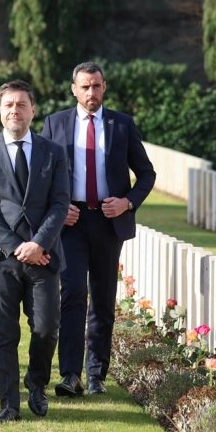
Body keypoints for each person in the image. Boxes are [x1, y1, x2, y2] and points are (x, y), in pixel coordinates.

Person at [40, 61, 156, 397]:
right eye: (85, 87)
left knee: (103, 300)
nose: (91, 93)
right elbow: (42, 176)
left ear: (104, 87)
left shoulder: (122, 125)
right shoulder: (55, 124)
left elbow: (146, 174)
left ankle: (96, 374)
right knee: (73, 293)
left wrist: (127, 202)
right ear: (74, 89)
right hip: (71, 223)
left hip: (108, 222)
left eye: (97, 86)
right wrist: (58, 211)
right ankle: (70, 375)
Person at [0, 79, 70, 423]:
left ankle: (36, 384)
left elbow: (59, 203)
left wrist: (39, 243)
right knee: (4, 333)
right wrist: (16, 247)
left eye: (21, 104)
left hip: (44, 255)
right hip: (1, 260)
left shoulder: (53, 152)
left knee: (46, 328)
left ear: (33, 110)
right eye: (8, 104)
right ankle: (9, 403)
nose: (15, 110)